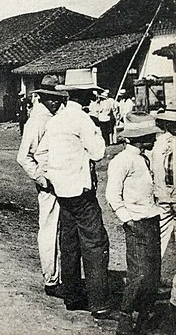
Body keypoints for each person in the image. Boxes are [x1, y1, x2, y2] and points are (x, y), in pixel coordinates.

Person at [39, 69, 112, 320]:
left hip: (62, 191)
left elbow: (42, 154)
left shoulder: (56, 120)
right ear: (88, 96)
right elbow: (98, 153)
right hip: (81, 192)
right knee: (94, 243)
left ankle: (72, 296)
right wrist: (99, 129)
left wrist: (53, 177)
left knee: (69, 243)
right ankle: (99, 302)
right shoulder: (82, 120)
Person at [105, 112, 162, 334]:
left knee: (152, 274)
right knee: (139, 274)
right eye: (149, 136)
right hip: (136, 222)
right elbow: (112, 195)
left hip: (151, 219)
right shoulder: (122, 161)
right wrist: (127, 220)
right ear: (137, 138)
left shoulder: (143, 158)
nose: (154, 140)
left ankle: (144, 316)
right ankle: (126, 317)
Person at [16, 75, 67, 298]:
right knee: (49, 229)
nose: (54, 102)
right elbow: (23, 156)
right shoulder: (37, 121)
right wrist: (41, 179)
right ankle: (51, 278)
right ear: (42, 97)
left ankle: (63, 276)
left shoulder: (56, 117)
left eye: (57, 98)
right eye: (49, 98)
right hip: (48, 182)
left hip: (63, 181)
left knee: (62, 230)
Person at [152, 109, 176, 328]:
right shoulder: (162, 145)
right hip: (166, 198)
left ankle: (149, 288)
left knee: (158, 242)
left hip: (161, 197)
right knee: (158, 242)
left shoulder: (159, 144)